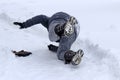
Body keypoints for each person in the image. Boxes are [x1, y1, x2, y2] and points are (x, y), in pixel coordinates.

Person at [13, 12, 84, 65]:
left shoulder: (48, 22)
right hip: (75, 30)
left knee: (52, 37)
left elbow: (40, 18)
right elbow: (40, 18)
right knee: (61, 52)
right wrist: (53, 48)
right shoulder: (65, 37)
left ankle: (62, 28)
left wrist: (24, 24)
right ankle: (73, 56)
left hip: (58, 18)